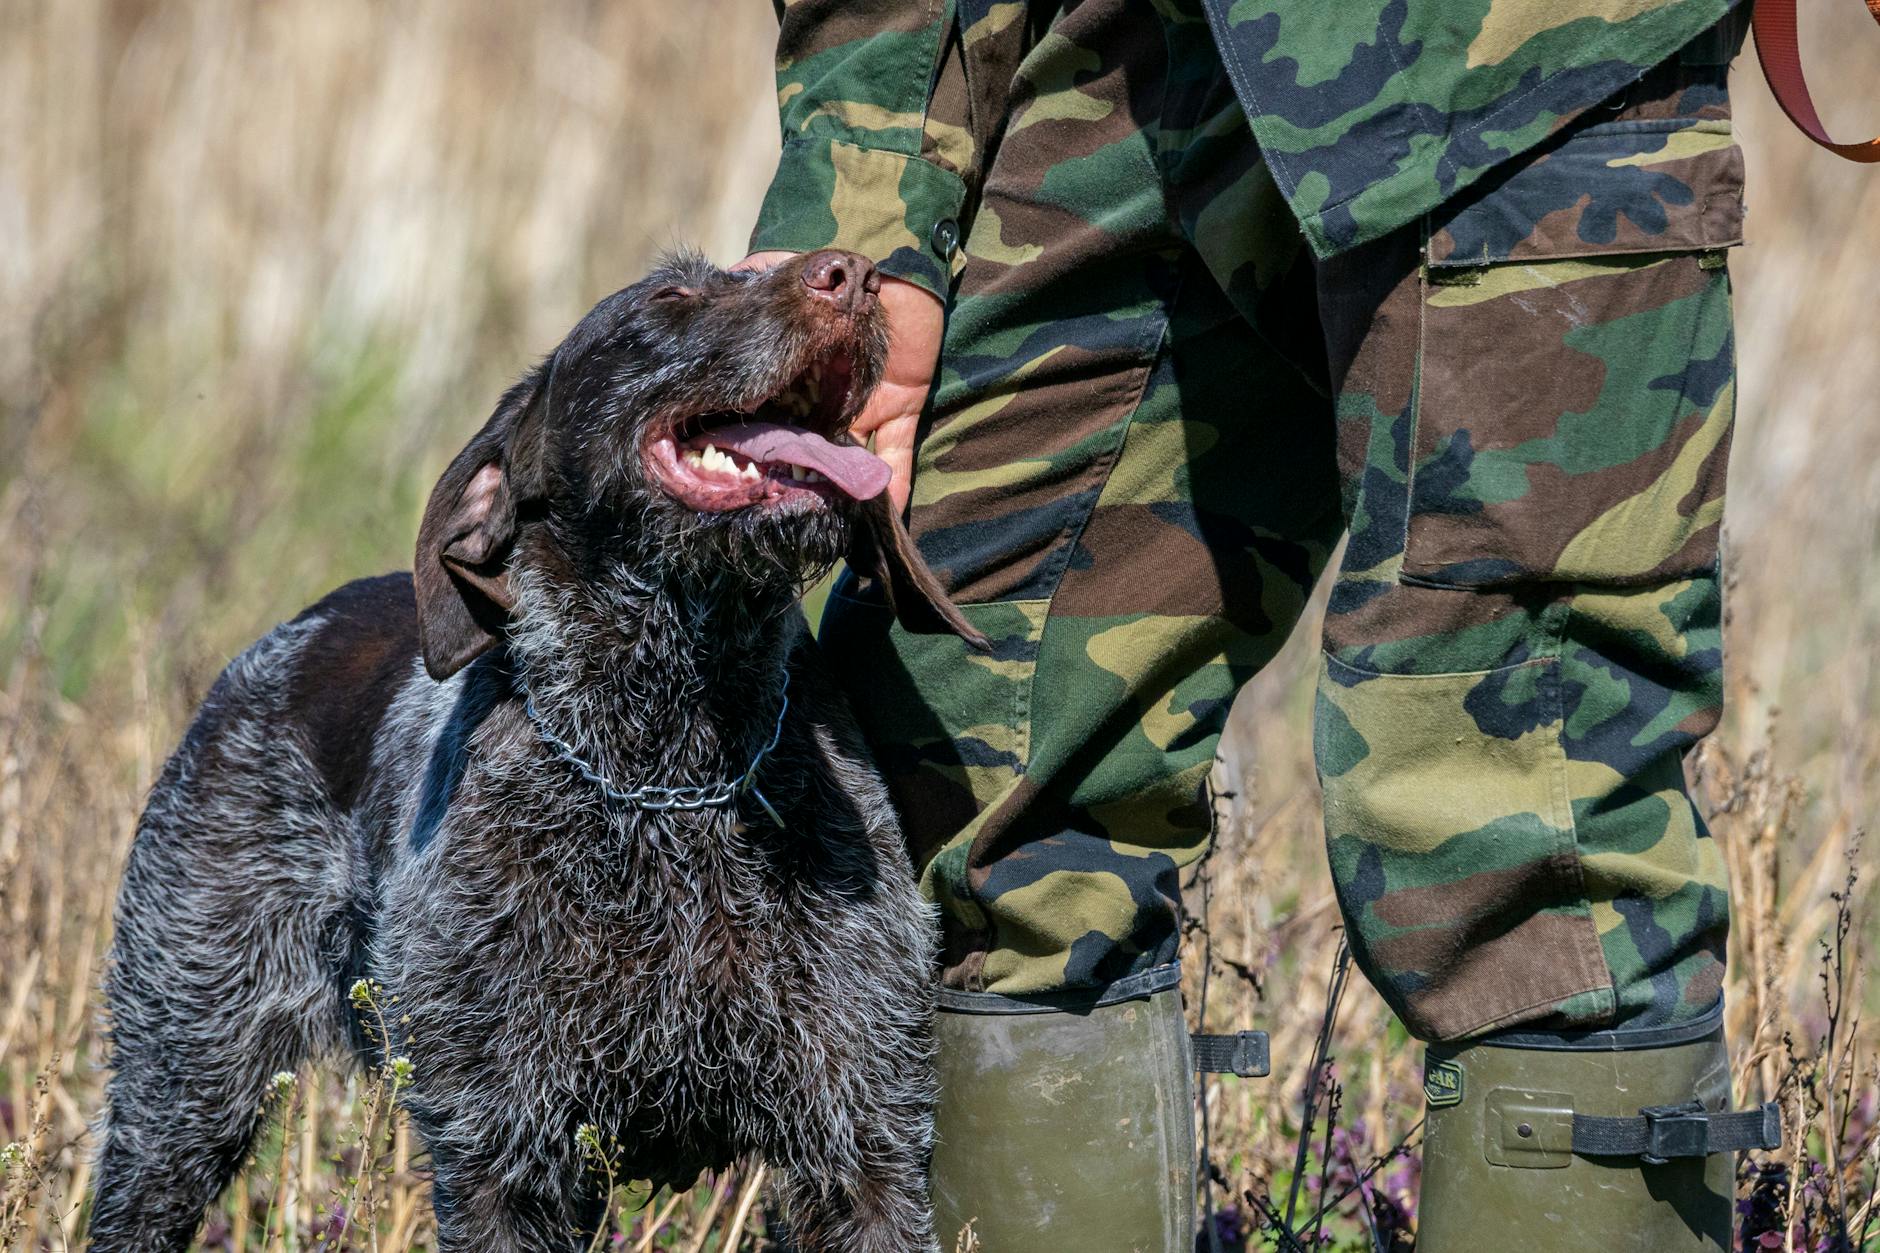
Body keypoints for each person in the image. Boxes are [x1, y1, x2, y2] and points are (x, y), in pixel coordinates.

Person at [739, 1, 1778, 1248]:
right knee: (959, 759)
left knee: (1532, 807)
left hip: (1508, 52)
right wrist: (863, 215)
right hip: (1124, 60)